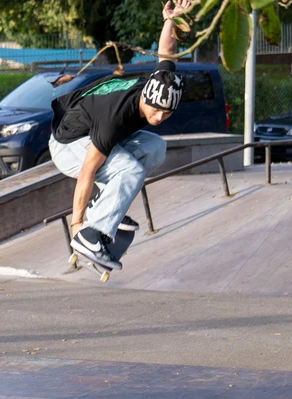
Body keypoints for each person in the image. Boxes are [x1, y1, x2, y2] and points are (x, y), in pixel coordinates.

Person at [49, 0, 190, 270]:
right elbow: (88, 171)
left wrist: (170, 19)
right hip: (68, 146)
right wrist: (77, 223)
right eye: (155, 111)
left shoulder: (159, 82)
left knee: (155, 147)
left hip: (87, 132)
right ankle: (90, 235)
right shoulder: (115, 118)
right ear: (145, 99)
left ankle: (107, 209)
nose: (159, 117)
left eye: (166, 114)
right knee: (130, 171)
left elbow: (167, 54)